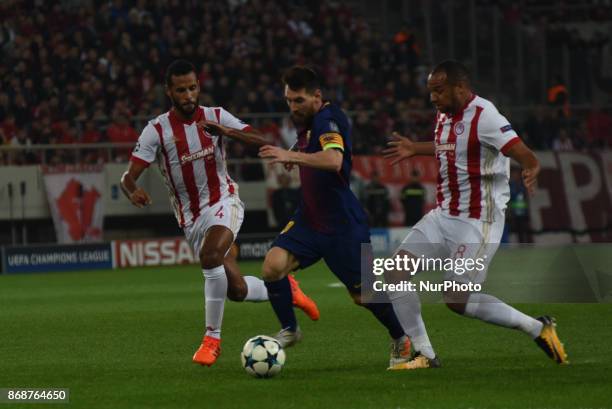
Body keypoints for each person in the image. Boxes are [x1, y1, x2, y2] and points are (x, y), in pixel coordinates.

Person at [119, 60, 318, 367]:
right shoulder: (156, 130)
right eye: (181, 90)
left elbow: (260, 140)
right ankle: (286, 289)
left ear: (199, 86)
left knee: (211, 256)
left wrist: (225, 131)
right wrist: (133, 191)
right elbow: (128, 176)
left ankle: (212, 339)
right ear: (169, 91)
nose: (188, 95)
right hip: (191, 218)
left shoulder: (216, 115)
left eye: (192, 88)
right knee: (236, 290)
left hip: (225, 201)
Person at [383, 60, 568, 369]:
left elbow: (525, 155)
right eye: (431, 92)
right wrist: (416, 147)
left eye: (438, 91)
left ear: (460, 87)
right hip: (443, 216)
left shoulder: (487, 117)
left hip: (477, 222)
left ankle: (538, 328)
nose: (433, 98)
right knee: (394, 273)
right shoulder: (445, 114)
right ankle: (424, 354)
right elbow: (452, 145)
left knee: (456, 299)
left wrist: (531, 170)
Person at [258, 66, 412, 366]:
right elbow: (316, 146)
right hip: (310, 218)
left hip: (343, 225)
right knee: (272, 267)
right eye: (288, 100)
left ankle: (400, 339)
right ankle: (290, 329)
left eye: (298, 100)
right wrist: (297, 149)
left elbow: (333, 159)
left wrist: (292, 156)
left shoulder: (328, 118)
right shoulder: (309, 120)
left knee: (363, 295)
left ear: (318, 96)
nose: (292, 106)